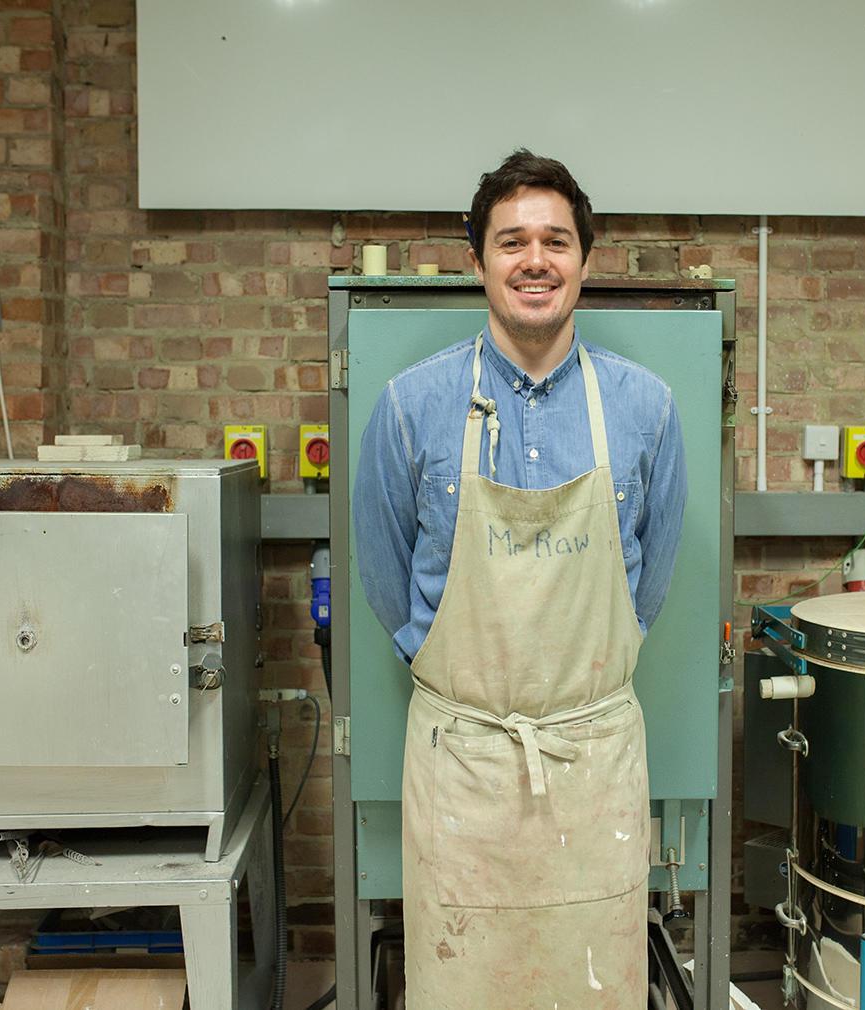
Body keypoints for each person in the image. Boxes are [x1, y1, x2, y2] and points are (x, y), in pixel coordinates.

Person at [354, 149, 688, 1009]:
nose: (534, 260)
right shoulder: (407, 407)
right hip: (461, 771)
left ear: (584, 259)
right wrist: (452, 669)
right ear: (476, 260)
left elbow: (646, 591)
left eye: (556, 241)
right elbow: (390, 583)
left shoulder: (644, 408)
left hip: (593, 768)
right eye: (511, 242)